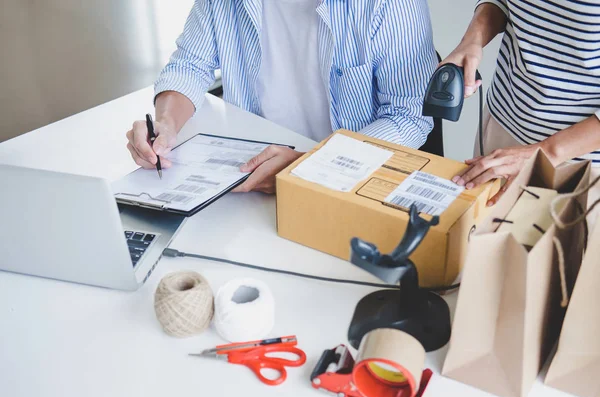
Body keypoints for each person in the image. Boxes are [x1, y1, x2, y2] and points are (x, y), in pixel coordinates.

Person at [125, 0, 437, 194]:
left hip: (350, 182)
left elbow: (407, 116)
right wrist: (165, 125)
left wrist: (306, 168)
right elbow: (189, 66)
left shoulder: (389, 3)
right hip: (250, 174)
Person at [442, 1, 600, 226]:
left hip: (580, 162)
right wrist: (472, 39)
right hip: (500, 129)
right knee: (474, 250)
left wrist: (547, 152)